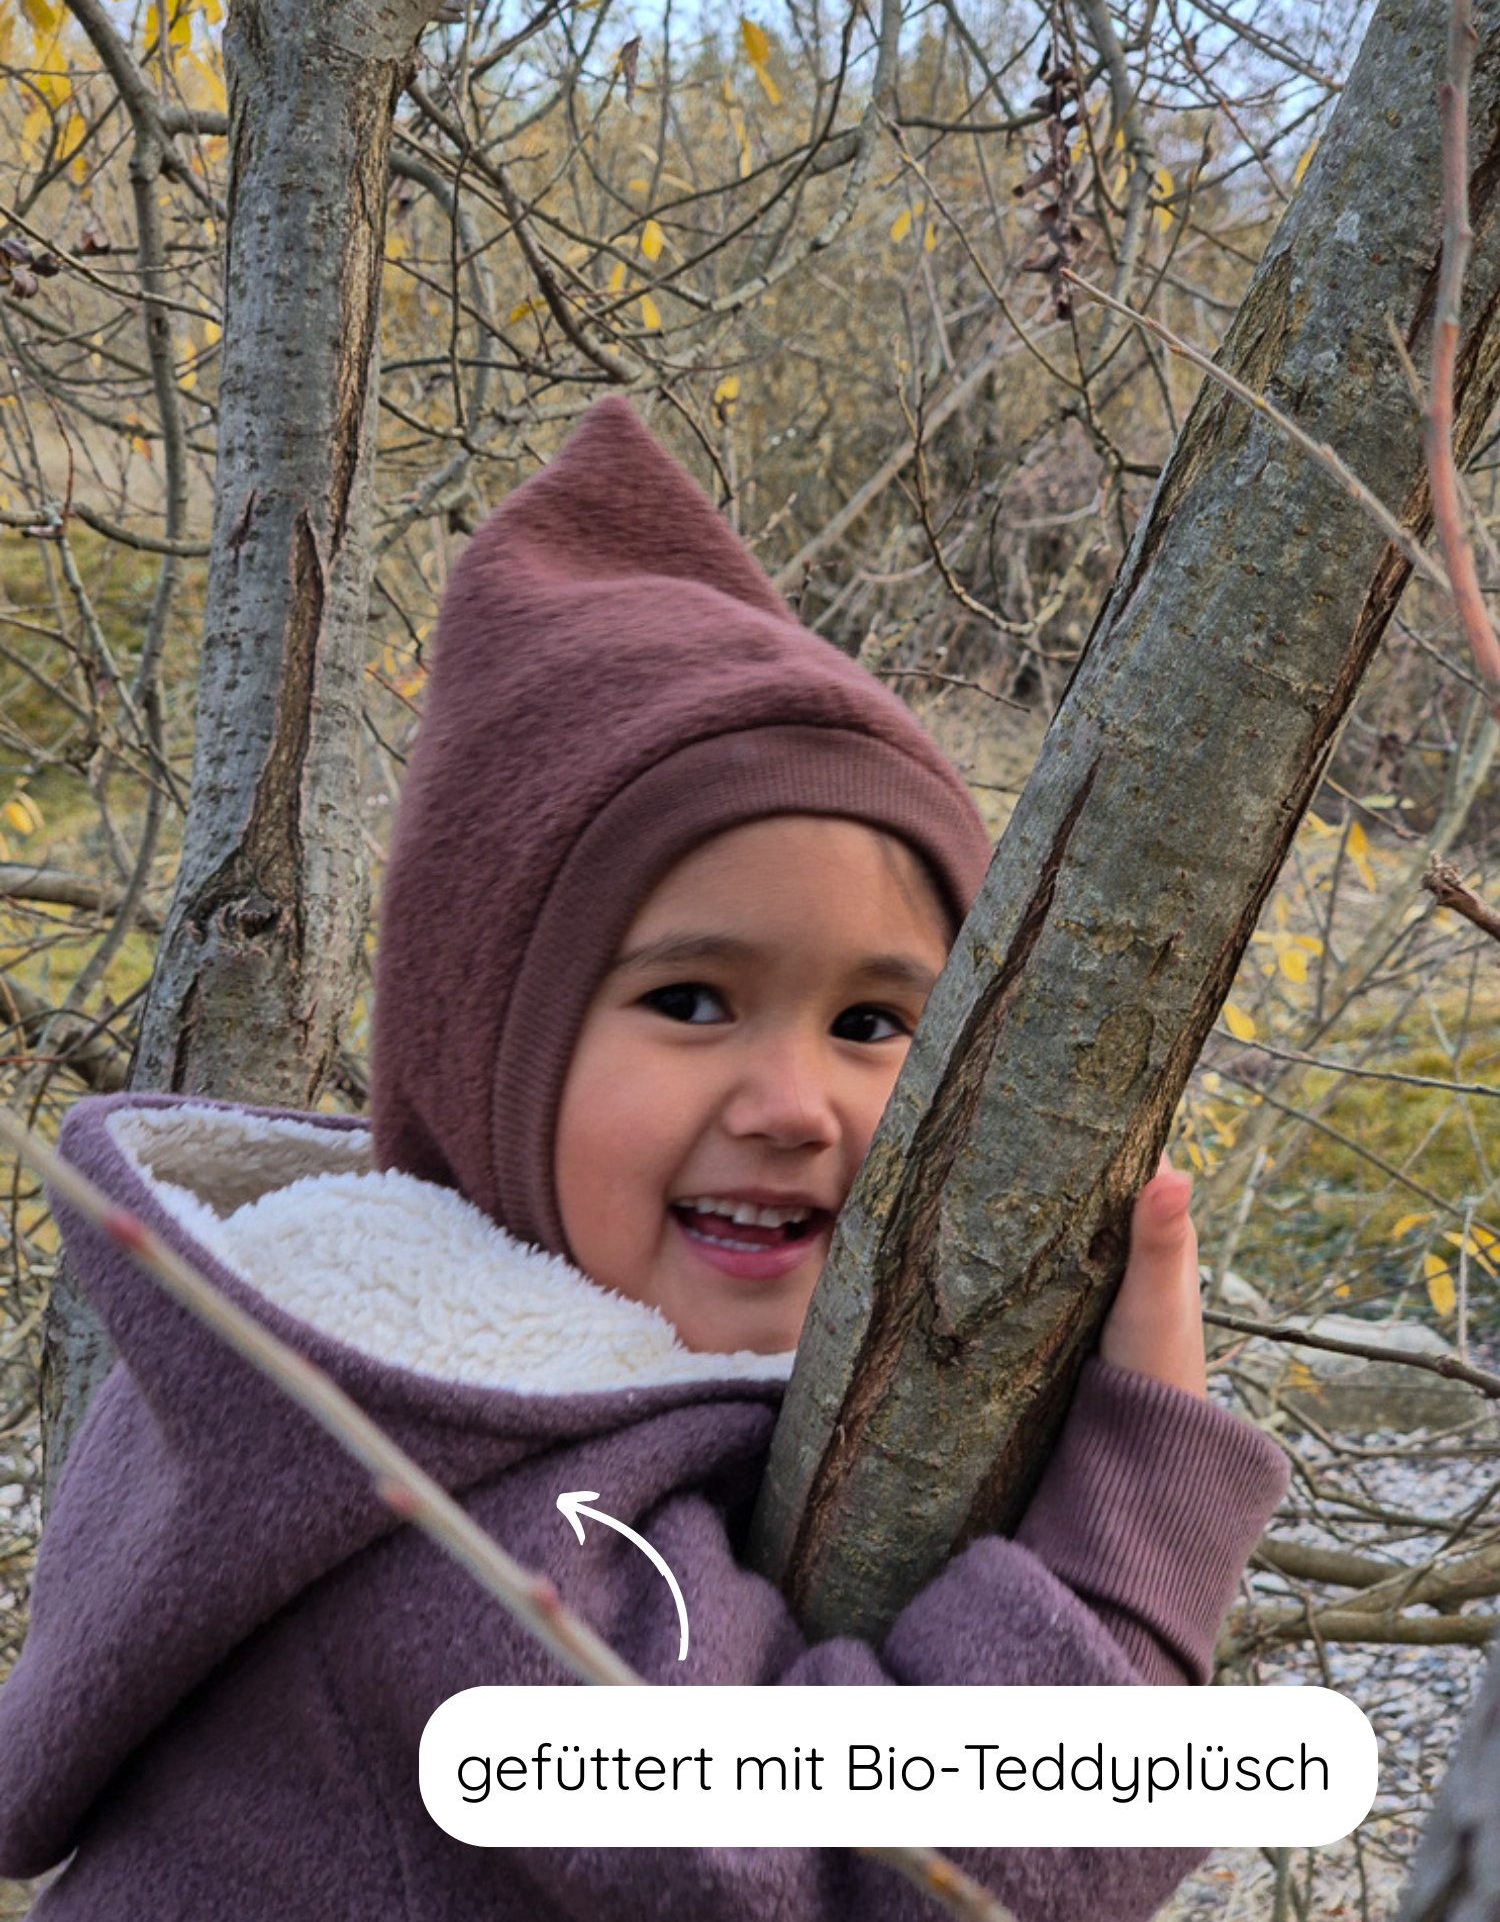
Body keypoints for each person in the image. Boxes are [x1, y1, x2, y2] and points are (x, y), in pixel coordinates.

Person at [0, 399, 1287, 1921]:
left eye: (876, 1021)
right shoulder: (452, 1509)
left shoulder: (408, 1386)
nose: (795, 1102)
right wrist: (1136, 1523)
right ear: (487, 1055)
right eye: (691, 1001)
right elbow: (881, 1886)